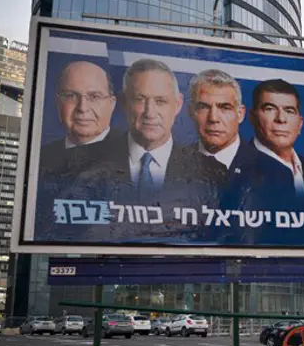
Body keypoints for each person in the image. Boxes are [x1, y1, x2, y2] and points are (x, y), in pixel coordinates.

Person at [43, 58, 225, 244]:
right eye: (140, 99)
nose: (150, 112)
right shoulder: (78, 163)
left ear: (177, 104)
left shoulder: (212, 172)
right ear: (123, 102)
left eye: (160, 101)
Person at [186, 69, 292, 243]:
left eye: (224, 107)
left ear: (240, 114)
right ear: (191, 112)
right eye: (204, 107)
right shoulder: (172, 165)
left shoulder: (276, 174)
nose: (214, 118)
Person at [39, 61, 118, 174]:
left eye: (94, 97)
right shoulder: (41, 158)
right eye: (71, 96)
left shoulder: (133, 158)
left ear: (112, 104)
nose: (82, 108)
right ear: (58, 103)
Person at [249, 79, 304, 200]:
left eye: (289, 111)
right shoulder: (236, 167)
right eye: (270, 109)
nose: (281, 118)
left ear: (300, 124)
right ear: (252, 118)